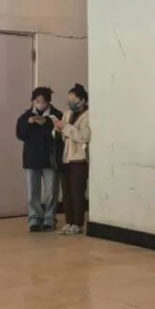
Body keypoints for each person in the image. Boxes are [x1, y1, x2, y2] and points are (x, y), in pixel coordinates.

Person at [15, 87, 63, 232]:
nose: (40, 104)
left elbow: (60, 137)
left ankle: (49, 219)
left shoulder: (57, 115)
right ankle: (34, 219)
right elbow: (20, 135)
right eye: (37, 101)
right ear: (33, 101)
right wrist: (29, 123)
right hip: (32, 159)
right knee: (32, 193)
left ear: (48, 102)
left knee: (51, 192)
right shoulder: (25, 116)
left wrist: (51, 126)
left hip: (50, 159)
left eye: (43, 101)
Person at [53, 84, 90, 236]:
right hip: (66, 158)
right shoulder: (67, 114)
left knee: (77, 193)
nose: (71, 103)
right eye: (69, 100)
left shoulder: (88, 115)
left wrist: (66, 128)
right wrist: (58, 129)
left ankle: (78, 223)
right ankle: (68, 222)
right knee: (66, 194)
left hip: (79, 159)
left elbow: (83, 136)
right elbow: (65, 136)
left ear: (82, 100)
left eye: (74, 100)